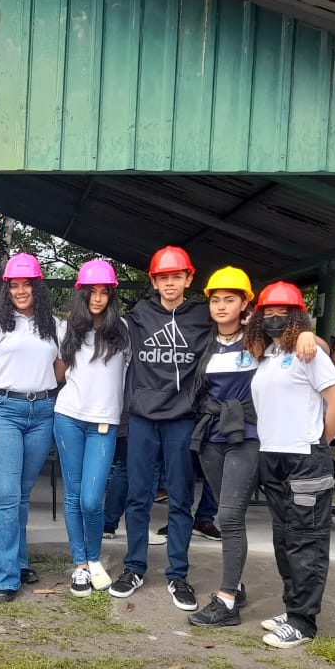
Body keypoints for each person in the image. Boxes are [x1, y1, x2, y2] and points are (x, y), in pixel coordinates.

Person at [108, 246, 212, 611]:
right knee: (138, 495)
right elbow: (96, 325)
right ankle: (134, 567)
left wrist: (307, 334)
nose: (169, 283)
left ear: (188, 279)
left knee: (181, 497)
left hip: (182, 418)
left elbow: (247, 326)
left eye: (176, 276)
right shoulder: (138, 315)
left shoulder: (204, 316)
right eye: (163, 277)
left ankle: (177, 574)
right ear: (153, 281)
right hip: (143, 418)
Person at [248, 281, 335, 648]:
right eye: (268, 314)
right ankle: (292, 610)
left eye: (282, 315)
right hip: (272, 455)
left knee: (306, 540)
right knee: (284, 537)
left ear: (298, 318)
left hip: (304, 457)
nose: (274, 320)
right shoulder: (269, 355)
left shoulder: (311, 354)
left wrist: (319, 443)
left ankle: (304, 622)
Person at [0, 253, 64, 604]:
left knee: (21, 495)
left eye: (27, 284)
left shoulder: (54, 325)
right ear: (6, 289)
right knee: (7, 497)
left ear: (38, 287)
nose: (20, 290)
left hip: (42, 411)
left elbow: (59, 373)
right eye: (14, 285)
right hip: (2, 411)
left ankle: (19, 562)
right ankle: (3, 578)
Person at [186, 267, 259, 627]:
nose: (221, 306)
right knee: (227, 517)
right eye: (215, 300)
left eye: (229, 299)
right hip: (211, 437)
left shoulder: (261, 340)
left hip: (246, 436)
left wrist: (309, 338)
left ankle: (227, 601)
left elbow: (309, 349)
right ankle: (237, 583)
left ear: (245, 303)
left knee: (229, 516)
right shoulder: (206, 342)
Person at [54, 259, 128, 597]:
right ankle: (81, 565)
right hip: (68, 416)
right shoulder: (66, 329)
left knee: (90, 498)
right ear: (80, 294)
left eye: (104, 292)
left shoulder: (124, 331)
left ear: (112, 296)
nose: (97, 298)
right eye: (91, 292)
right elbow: (56, 373)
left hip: (104, 422)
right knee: (73, 495)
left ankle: (94, 557)